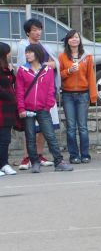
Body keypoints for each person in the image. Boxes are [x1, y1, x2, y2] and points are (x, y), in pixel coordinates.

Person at [15, 44, 72, 173]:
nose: (27, 55)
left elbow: (51, 89)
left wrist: (48, 105)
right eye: (26, 52)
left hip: (43, 109)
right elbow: (19, 91)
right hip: (27, 109)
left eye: (30, 52)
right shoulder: (22, 70)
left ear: (37, 54)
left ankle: (59, 162)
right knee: (30, 137)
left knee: (50, 135)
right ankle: (35, 162)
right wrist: (21, 109)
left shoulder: (47, 70)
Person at [15, 19, 57, 169]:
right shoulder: (23, 46)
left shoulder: (45, 46)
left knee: (44, 128)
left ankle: (39, 154)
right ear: (28, 32)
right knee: (29, 129)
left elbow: (54, 63)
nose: (38, 32)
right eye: (34, 30)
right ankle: (27, 157)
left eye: (39, 29)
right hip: (29, 94)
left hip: (44, 93)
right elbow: (21, 67)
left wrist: (44, 65)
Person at [58, 30, 97, 164]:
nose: (74, 39)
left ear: (80, 40)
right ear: (67, 41)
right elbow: (58, 76)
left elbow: (91, 76)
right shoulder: (62, 56)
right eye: (71, 37)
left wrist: (93, 96)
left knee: (83, 127)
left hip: (83, 94)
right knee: (70, 127)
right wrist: (68, 71)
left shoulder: (87, 56)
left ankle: (85, 154)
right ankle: (73, 155)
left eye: (76, 37)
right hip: (67, 94)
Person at [0, 43, 18, 177]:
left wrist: (11, 72)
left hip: (7, 109)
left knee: (5, 138)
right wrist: (10, 96)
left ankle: (4, 164)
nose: (10, 54)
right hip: (2, 106)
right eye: (8, 52)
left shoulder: (6, 68)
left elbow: (11, 82)